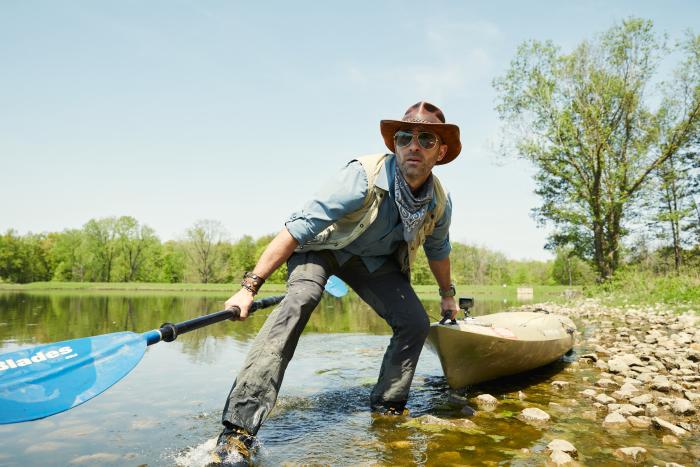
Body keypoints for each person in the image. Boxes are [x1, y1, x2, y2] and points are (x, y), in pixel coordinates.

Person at [211, 101, 461, 465]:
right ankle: (238, 432)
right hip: (323, 248)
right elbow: (299, 227)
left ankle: (388, 409)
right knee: (299, 302)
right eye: (405, 137)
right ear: (395, 145)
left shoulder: (439, 201)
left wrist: (448, 296)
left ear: (440, 152)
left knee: (414, 323)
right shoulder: (362, 175)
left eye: (426, 138)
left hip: (374, 263)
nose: (414, 145)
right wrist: (250, 286)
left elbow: (439, 251)